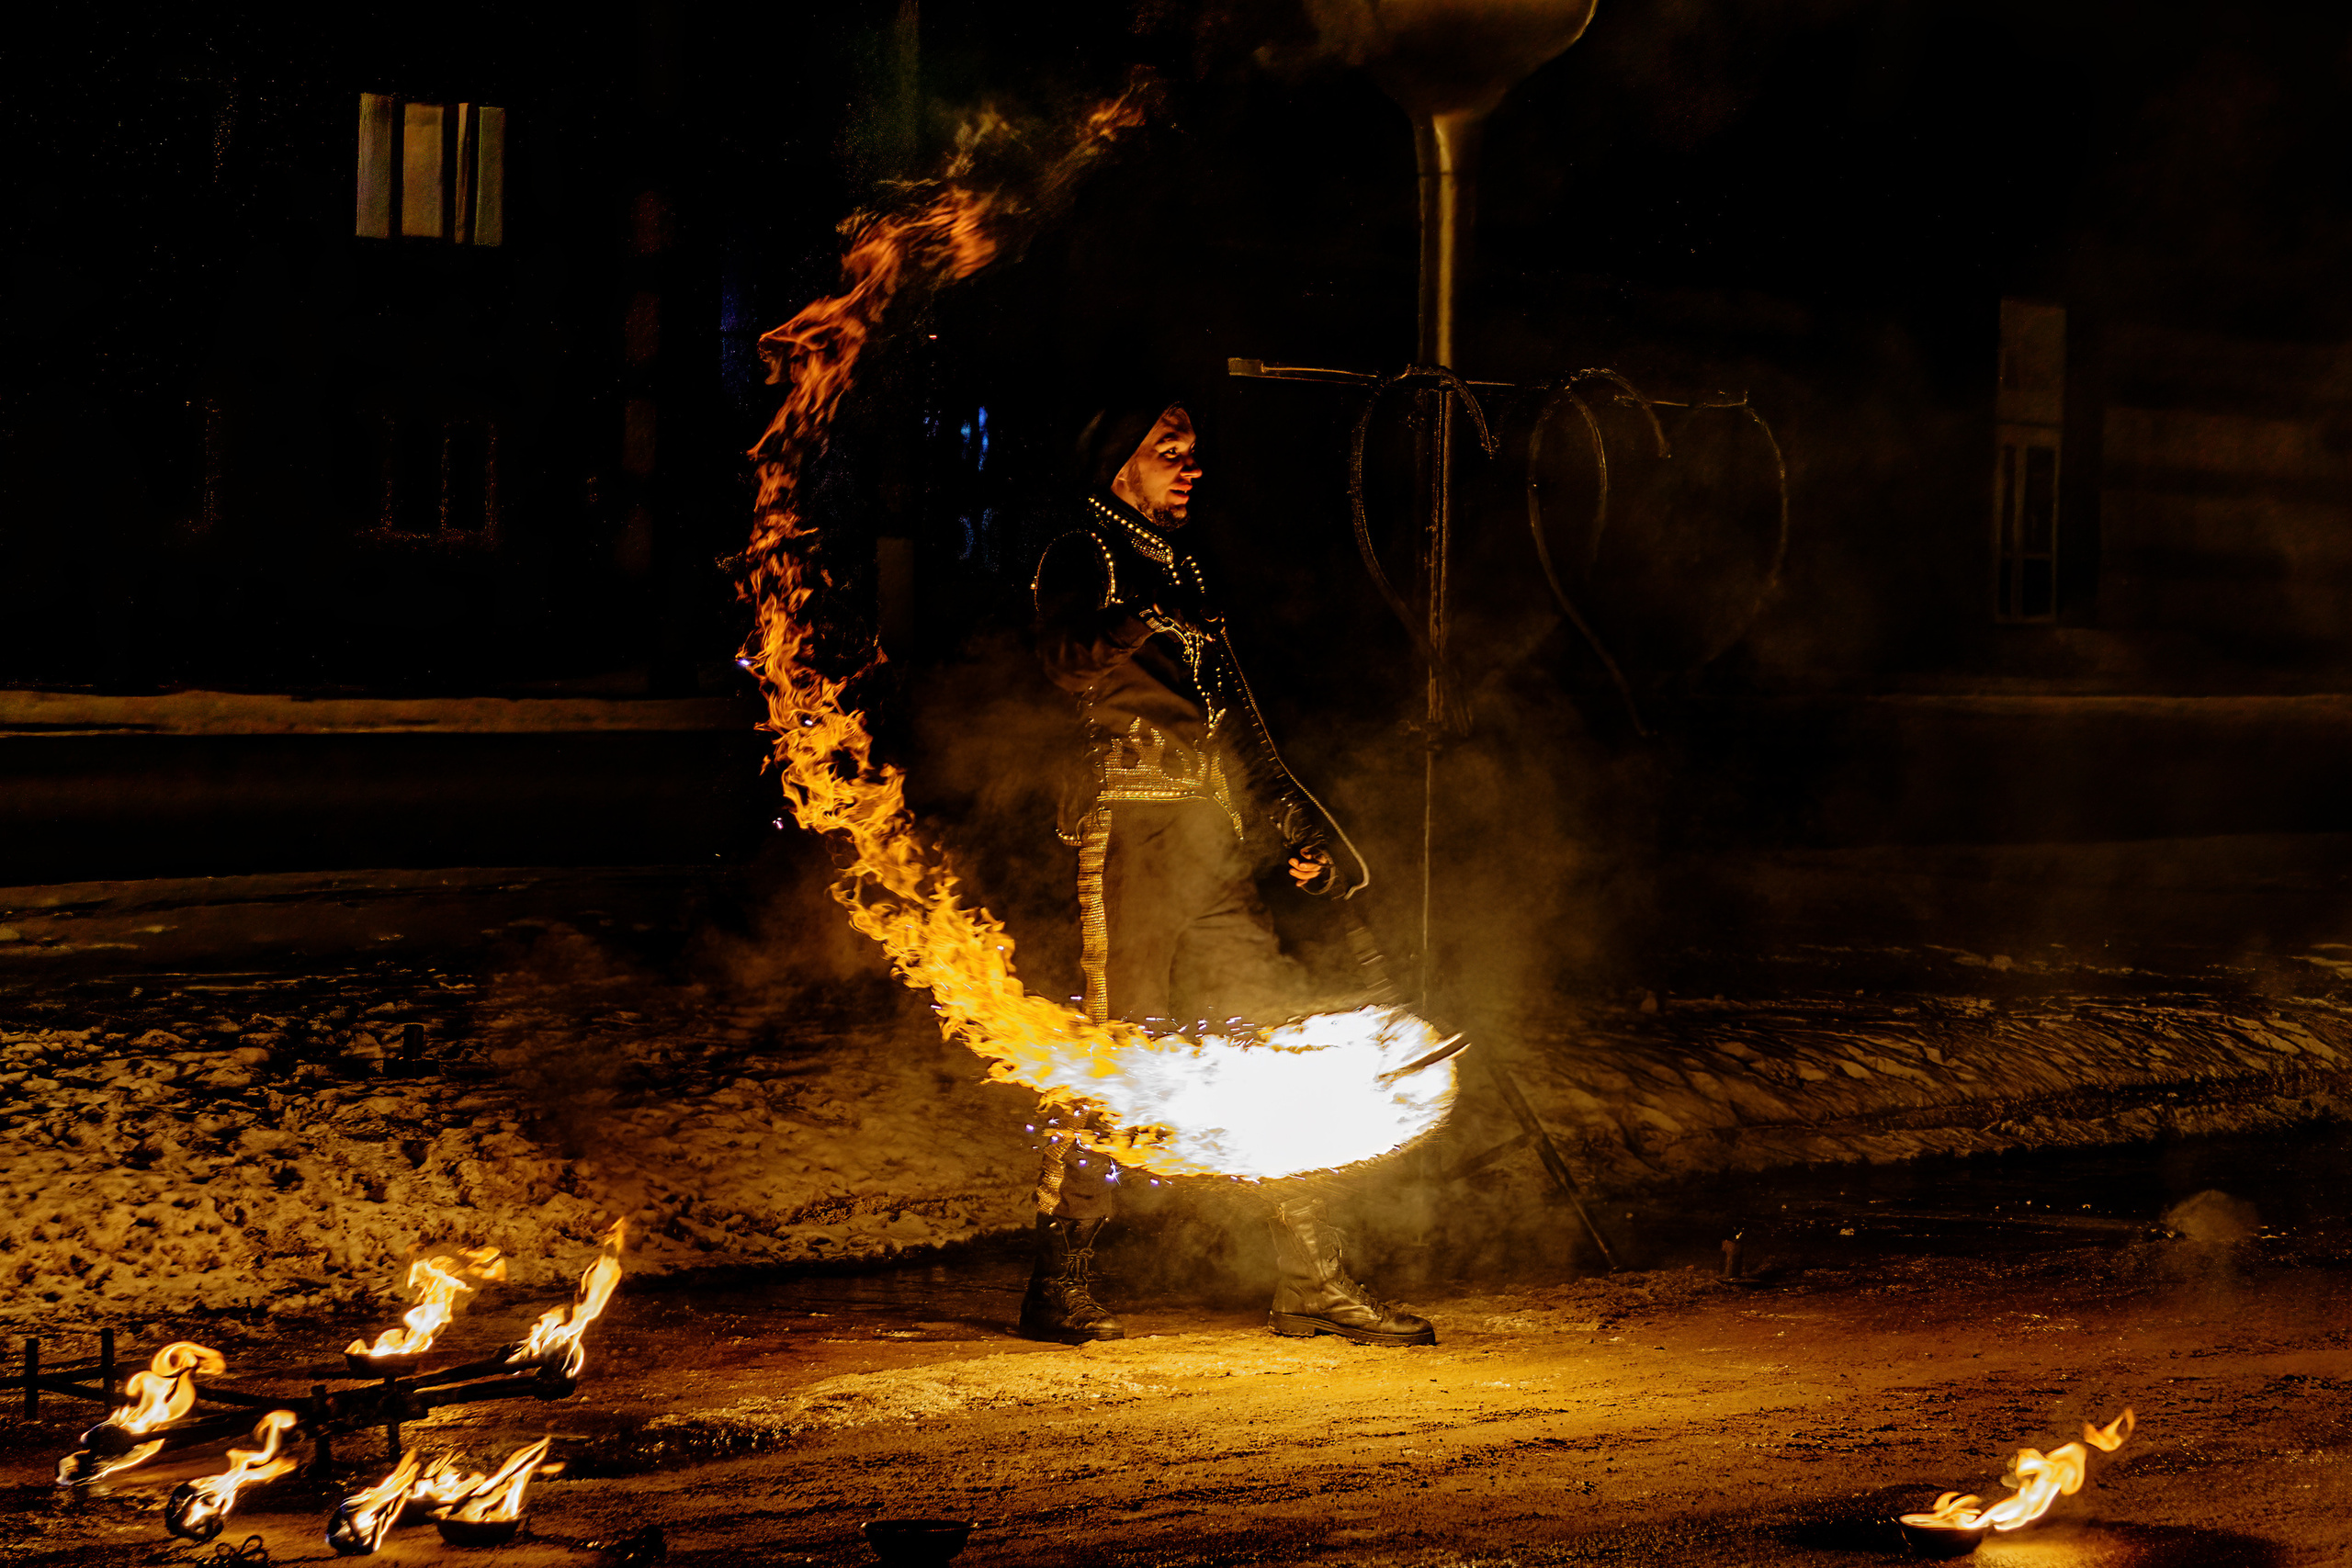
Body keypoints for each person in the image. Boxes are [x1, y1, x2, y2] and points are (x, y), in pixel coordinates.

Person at [1018, 391, 1435, 1350]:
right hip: (1130, 836)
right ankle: (1059, 1279)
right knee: (1113, 1049)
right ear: (1118, 462)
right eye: (1169, 449)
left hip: (1209, 839)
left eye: (1193, 450)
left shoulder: (1181, 562)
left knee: (1269, 1039)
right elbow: (1066, 660)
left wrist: (1284, 817)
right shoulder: (1086, 553)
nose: (1190, 465)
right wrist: (1141, 618)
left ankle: (1314, 1282)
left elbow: (1228, 715)